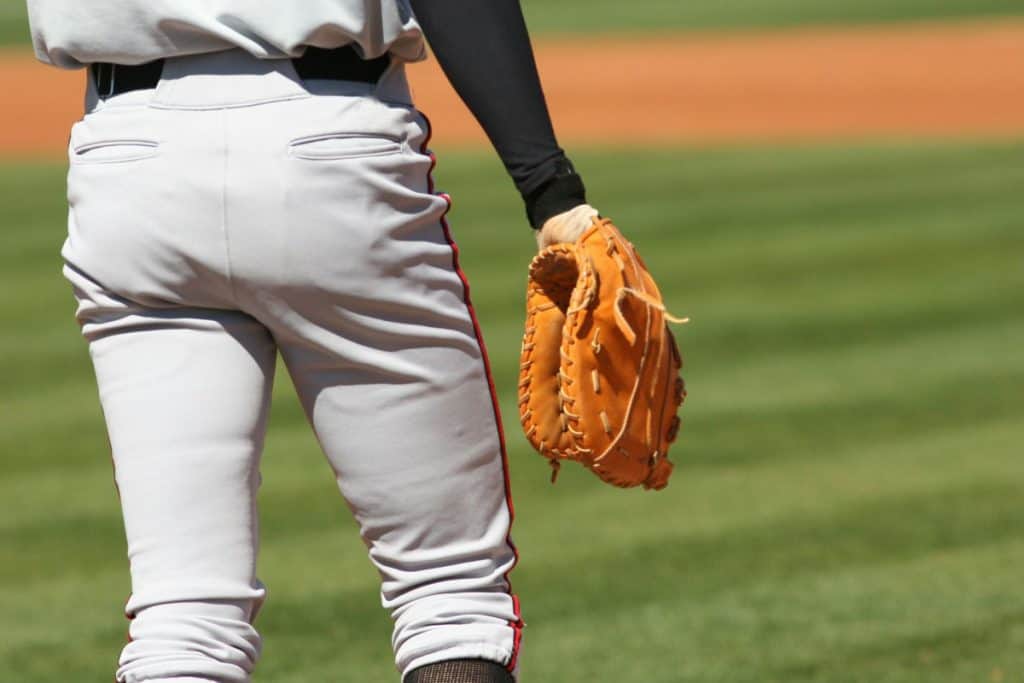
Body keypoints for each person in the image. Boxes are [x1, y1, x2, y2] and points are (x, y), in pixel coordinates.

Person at [27, 1, 600, 681]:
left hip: (128, 163)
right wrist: (549, 188)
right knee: (450, 595)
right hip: (328, 144)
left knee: (182, 621)